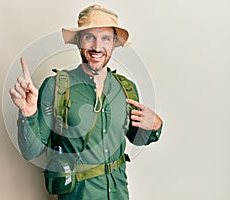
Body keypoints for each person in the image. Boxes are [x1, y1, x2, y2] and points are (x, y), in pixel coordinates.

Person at [9, 4, 163, 200]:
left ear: (114, 43)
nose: (97, 47)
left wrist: (156, 127)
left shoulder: (127, 89)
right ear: (79, 41)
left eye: (105, 38)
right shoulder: (55, 87)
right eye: (89, 37)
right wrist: (28, 114)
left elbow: (137, 138)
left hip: (119, 194)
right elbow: (31, 151)